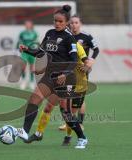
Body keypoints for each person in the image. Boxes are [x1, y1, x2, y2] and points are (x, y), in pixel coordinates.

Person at [16, 5, 88, 149]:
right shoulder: (50, 33)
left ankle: (82, 138)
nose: (57, 23)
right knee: (34, 98)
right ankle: (24, 131)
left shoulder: (69, 39)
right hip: (49, 75)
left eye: (61, 21)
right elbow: (41, 52)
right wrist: (28, 50)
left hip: (65, 78)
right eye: (55, 21)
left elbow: (74, 61)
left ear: (66, 22)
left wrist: (65, 74)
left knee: (65, 112)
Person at [25, 15, 99, 147]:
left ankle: (76, 136)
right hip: (55, 79)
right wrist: (41, 70)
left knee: (67, 113)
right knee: (49, 107)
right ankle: (38, 134)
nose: (72, 27)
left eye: (74, 24)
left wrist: (88, 64)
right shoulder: (56, 41)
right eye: (71, 24)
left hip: (72, 80)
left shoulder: (76, 45)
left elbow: (84, 62)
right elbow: (51, 59)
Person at [58, 15, 99, 132]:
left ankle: (79, 123)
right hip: (68, 70)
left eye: (76, 22)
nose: (74, 25)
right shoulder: (66, 36)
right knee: (67, 95)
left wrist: (91, 60)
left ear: (80, 24)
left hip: (81, 70)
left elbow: (96, 49)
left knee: (79, 96)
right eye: (71, 23)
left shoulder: (86, 37)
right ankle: (70, 122)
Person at [17, 20, 38, 90]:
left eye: (29, 24)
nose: (27, 25)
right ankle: (23, 81)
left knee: (32, 67)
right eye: (26, 24)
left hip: (32, 52)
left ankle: (31, 82)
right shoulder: (22, 33)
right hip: (24, 52)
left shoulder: (34, 33)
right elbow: (19, 42)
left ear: (31, 25)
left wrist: (36, 49)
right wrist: (18, 49)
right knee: (23, 66)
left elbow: (37, 42)